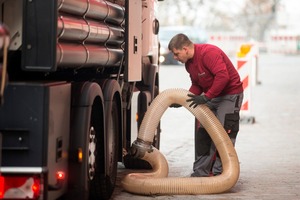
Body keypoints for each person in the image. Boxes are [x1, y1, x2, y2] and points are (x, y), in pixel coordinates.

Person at [168, 33, 244, 177]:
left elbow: (223, 77)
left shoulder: (209, 53)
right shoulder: (189, 64)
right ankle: (201, 172)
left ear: (185, 49)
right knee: (203, 133)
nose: (176, 58)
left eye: (177, 54)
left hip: (229, 94)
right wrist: (184, 100)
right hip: (211, 95)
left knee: (223, 134)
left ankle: (221, 174)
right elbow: (197, 84)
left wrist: (207, 97)